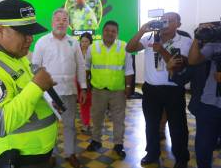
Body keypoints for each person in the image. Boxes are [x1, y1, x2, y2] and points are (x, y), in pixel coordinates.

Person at [0, 0, 58, 168]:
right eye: (24, 33)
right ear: (0, 30)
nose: (30, 39)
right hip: (16, 159)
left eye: (32, 32)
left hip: (37, 154)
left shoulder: (16, 56)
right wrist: (36, 86)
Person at [126, 12, 192, 168]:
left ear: (178, 24)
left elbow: (180, 66)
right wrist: (142, 30)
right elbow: (130, 48)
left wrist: (161, 50)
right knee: (151, 124)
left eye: (170, 20)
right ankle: (152, 154)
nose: (165, 23)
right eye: (163, 20)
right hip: (151, 90)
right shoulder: (149, 38)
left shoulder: (185, 41)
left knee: (178, 126)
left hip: (173, 90)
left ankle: (182, 159)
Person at [32, 8, 87, 168]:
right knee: (50, 126)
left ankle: (70, 154)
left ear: (68, 23)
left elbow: (81, 66)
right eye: (58, 19)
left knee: (70, 125)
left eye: (65, 19)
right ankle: (51, 154)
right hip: (49, 94)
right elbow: (35, 67)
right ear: (52, 22)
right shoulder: (42, 42)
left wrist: (83, 88)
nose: (61, 22)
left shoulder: (74, 42)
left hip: (69, 91)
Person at [171, 23, 221, 168]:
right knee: (203, 148)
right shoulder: (214, 45)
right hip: (209, 105)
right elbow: (193, 60)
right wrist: (197, 37)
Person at [85, 21, 134, 158]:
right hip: (98, 90)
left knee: (119, 119)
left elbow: (129, 70)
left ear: (117, 33)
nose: (110, 33)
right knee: (97, 117)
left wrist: (128, 87)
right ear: (102, 31)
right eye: (107, 30)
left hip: (118, 91)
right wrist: (86, 87)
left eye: (113, 31)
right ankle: (96, 141)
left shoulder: (125, 47)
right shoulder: (93, 47)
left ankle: (118, 144)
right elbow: (87, 68)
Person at [78, 32, 93, 132]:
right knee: (84, 103)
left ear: (90, 42)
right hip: (79, 81)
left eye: (86, 41)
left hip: (92, 81)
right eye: (82, 41)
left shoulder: (94, 52)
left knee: (93, 103)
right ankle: (85, 123)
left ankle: (94, 123)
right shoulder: (76, 52)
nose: (84, 43)